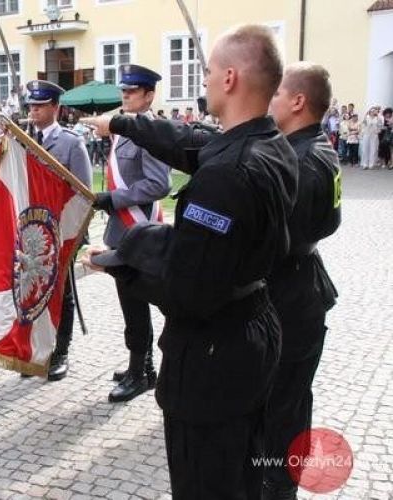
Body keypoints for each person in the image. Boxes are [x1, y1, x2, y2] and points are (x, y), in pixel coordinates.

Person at [81, 24, 297, 500]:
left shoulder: (225, 176)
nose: (202, 81)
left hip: (213, 355)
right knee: (243, 472)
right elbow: (187, 141)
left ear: (230, 79)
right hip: (252, 329)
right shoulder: (269, 143)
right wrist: (119, 122)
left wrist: (120, 259)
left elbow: (189, 289)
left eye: (208, 72)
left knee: (208, 482)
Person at [262, 62, 341, 500]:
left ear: (297, 102)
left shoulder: (302, 160)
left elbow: (277, 240)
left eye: (275, 94)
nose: (268, 100)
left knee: (283, 406)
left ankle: (278, 484)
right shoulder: (314, 150)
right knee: (290, 400)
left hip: (290, 298)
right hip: (301, 288)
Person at [90, 64, 171, 403]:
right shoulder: (124, 130)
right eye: (123, 90)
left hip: (138, 230)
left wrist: (113, 198)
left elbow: (159, 183)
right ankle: (142, 365)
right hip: (123, 229)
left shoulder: (149, 131)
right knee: (130, 305)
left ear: (149, 95)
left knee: (136, 304)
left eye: (132, 91)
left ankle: (141, 372)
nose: (125, 95)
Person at [25, 80, 92, 381]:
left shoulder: (70, 142)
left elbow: (83, 192)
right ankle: (37, 350)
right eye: (31, 106)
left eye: (39, 106)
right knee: (32, 288)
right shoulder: (25, 140)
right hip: (33, 229)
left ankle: (60, 352)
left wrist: (73, 233)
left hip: (63, 229)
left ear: (56, 107)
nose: (33, 111)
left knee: (60, 291)